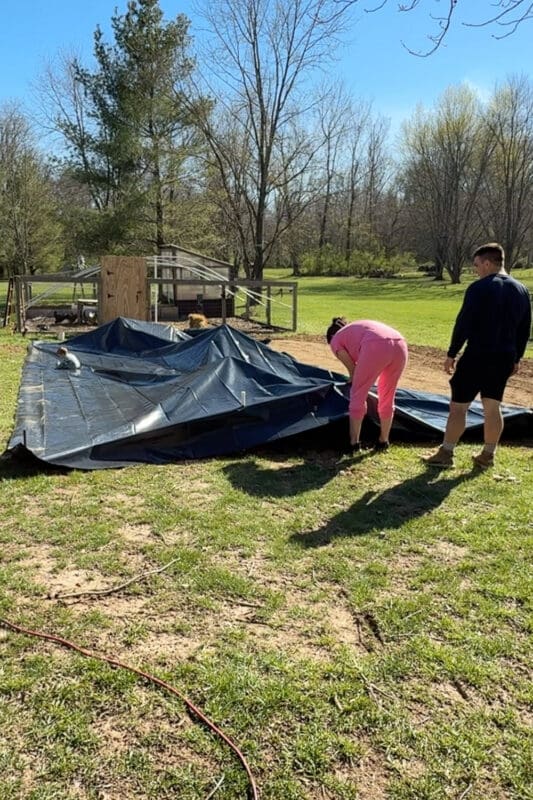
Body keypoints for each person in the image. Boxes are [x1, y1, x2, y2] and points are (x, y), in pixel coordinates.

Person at [425, 242, 531, 469]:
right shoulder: (522, 290)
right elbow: (524, 329)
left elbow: (463, 323)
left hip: (478, 355)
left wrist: (452, 353)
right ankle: (488, 454)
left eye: (476, 265)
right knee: (492, 406)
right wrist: (516, 358)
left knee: (459, 406)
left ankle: (446, 452)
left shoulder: (479, 288)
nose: (476, 270)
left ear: (487, 262)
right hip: (504, 357)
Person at [326, 317, 408, 452]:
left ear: (331, 336)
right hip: (400, 343)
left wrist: (353, 378)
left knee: (358, 393)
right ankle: (383, 441)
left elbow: (352, 370)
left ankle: (354, 443)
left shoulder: (335, 340)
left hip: (375, 345)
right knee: (387, 395)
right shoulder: (354, 329)